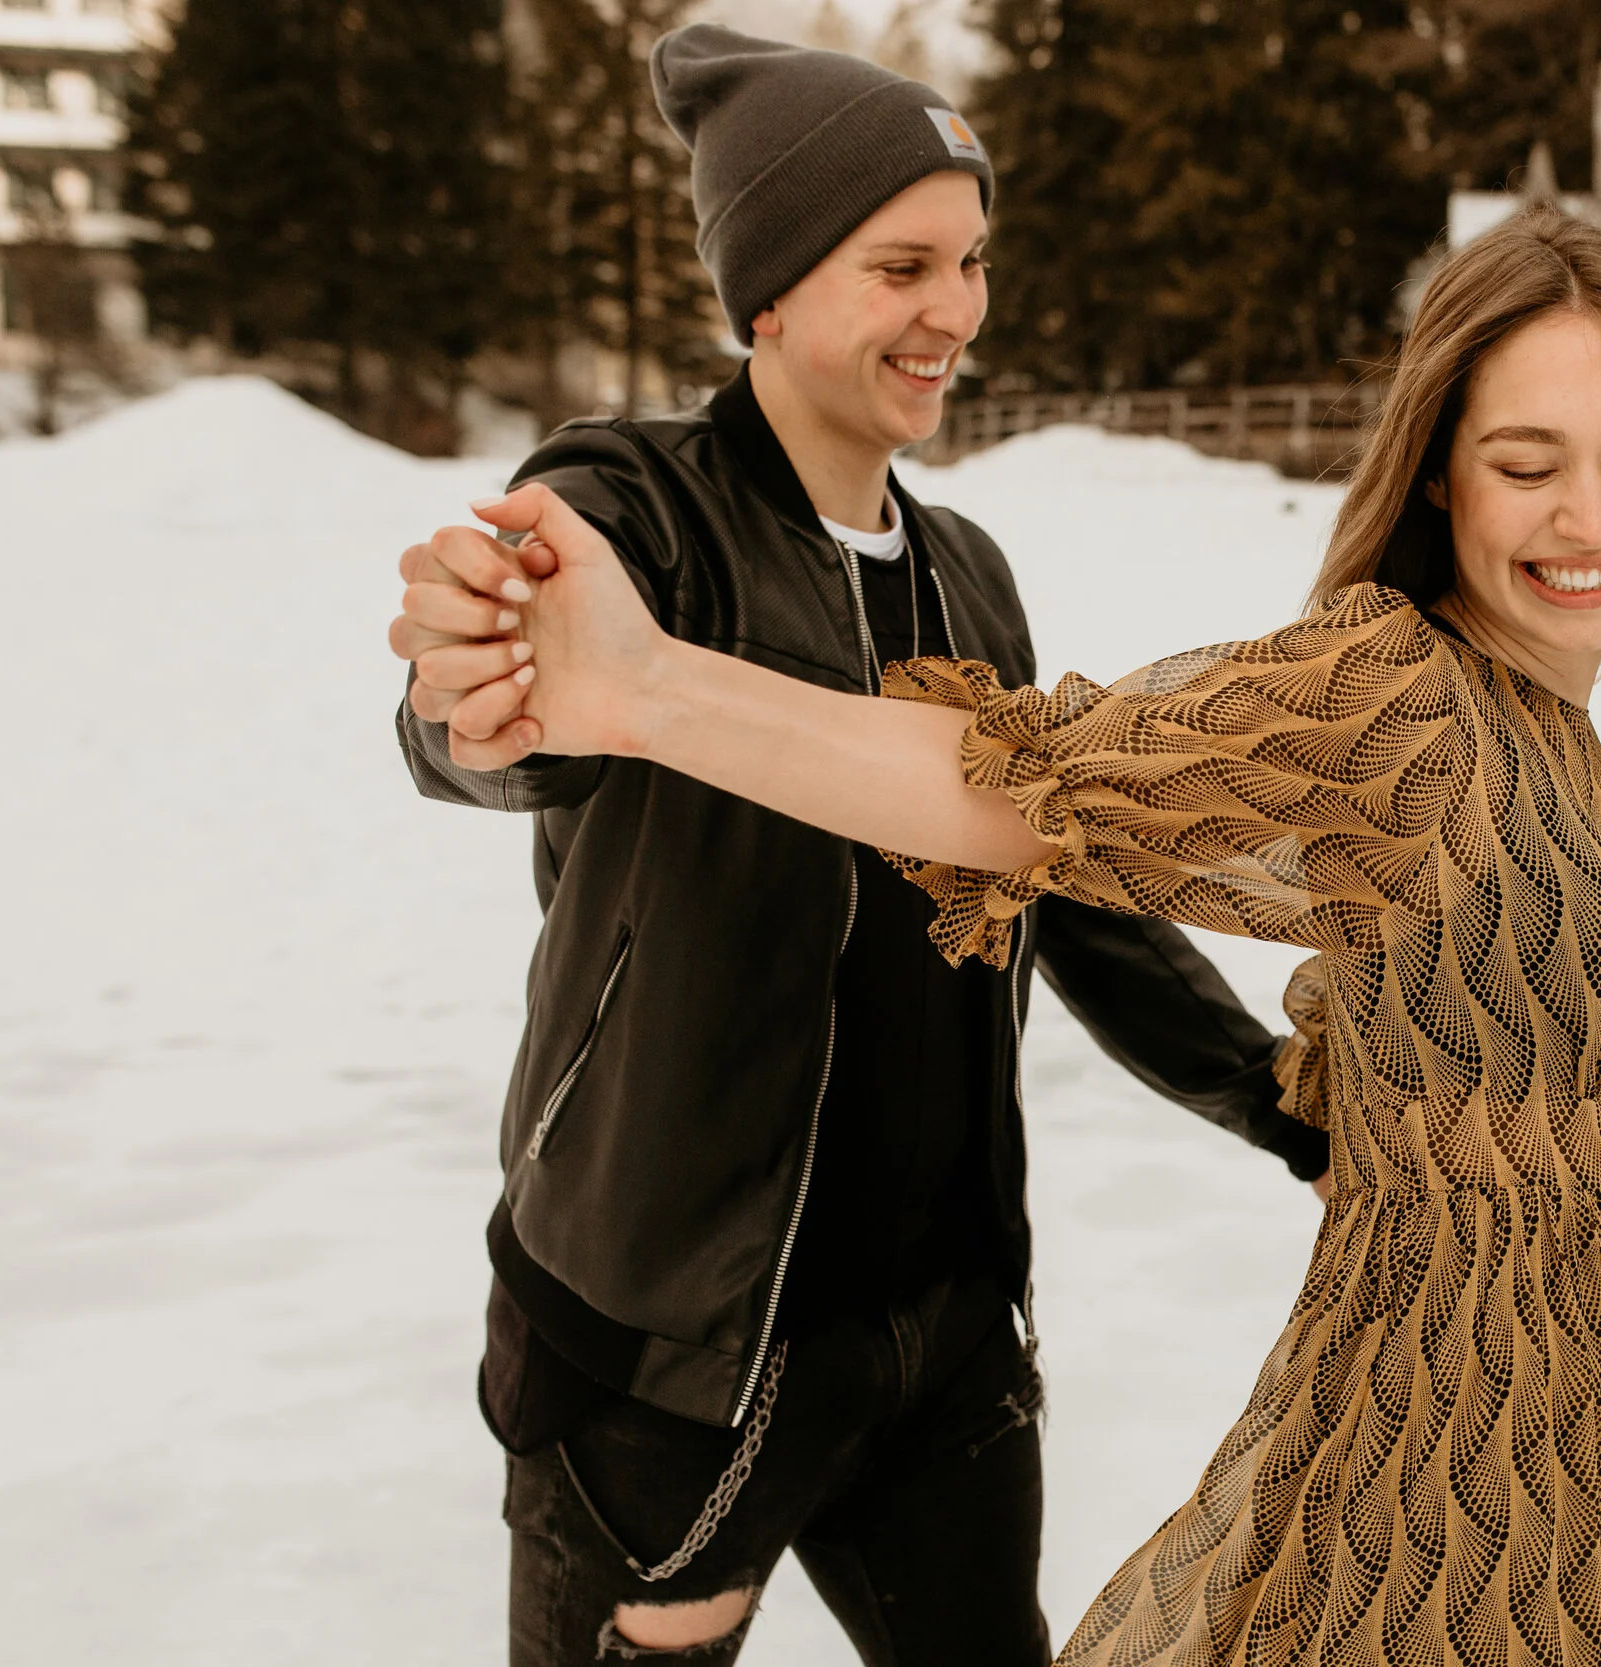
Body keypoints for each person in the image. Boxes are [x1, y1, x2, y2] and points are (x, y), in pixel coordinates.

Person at [409, 206, 1601, 1665]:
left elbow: (1452, 1019)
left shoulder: (1539, 724)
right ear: (1440, 468)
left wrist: (1308, 1099)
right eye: (1526, 463)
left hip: (1575, 1424)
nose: (1592, 518)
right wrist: (637, 689)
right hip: (1452, 1448)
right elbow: (1020, 794)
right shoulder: (1403, 701)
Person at [388, 25, 1329, 1665]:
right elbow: (508, 695)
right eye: (902, 264)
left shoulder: (969, 570)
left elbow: (1061, 880)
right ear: (767, 290)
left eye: (971, 261)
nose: (955, 311)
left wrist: (1271, 1097)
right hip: (669, 1354)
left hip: (942, 1338)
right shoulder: (648, 506)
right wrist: (466, 696)